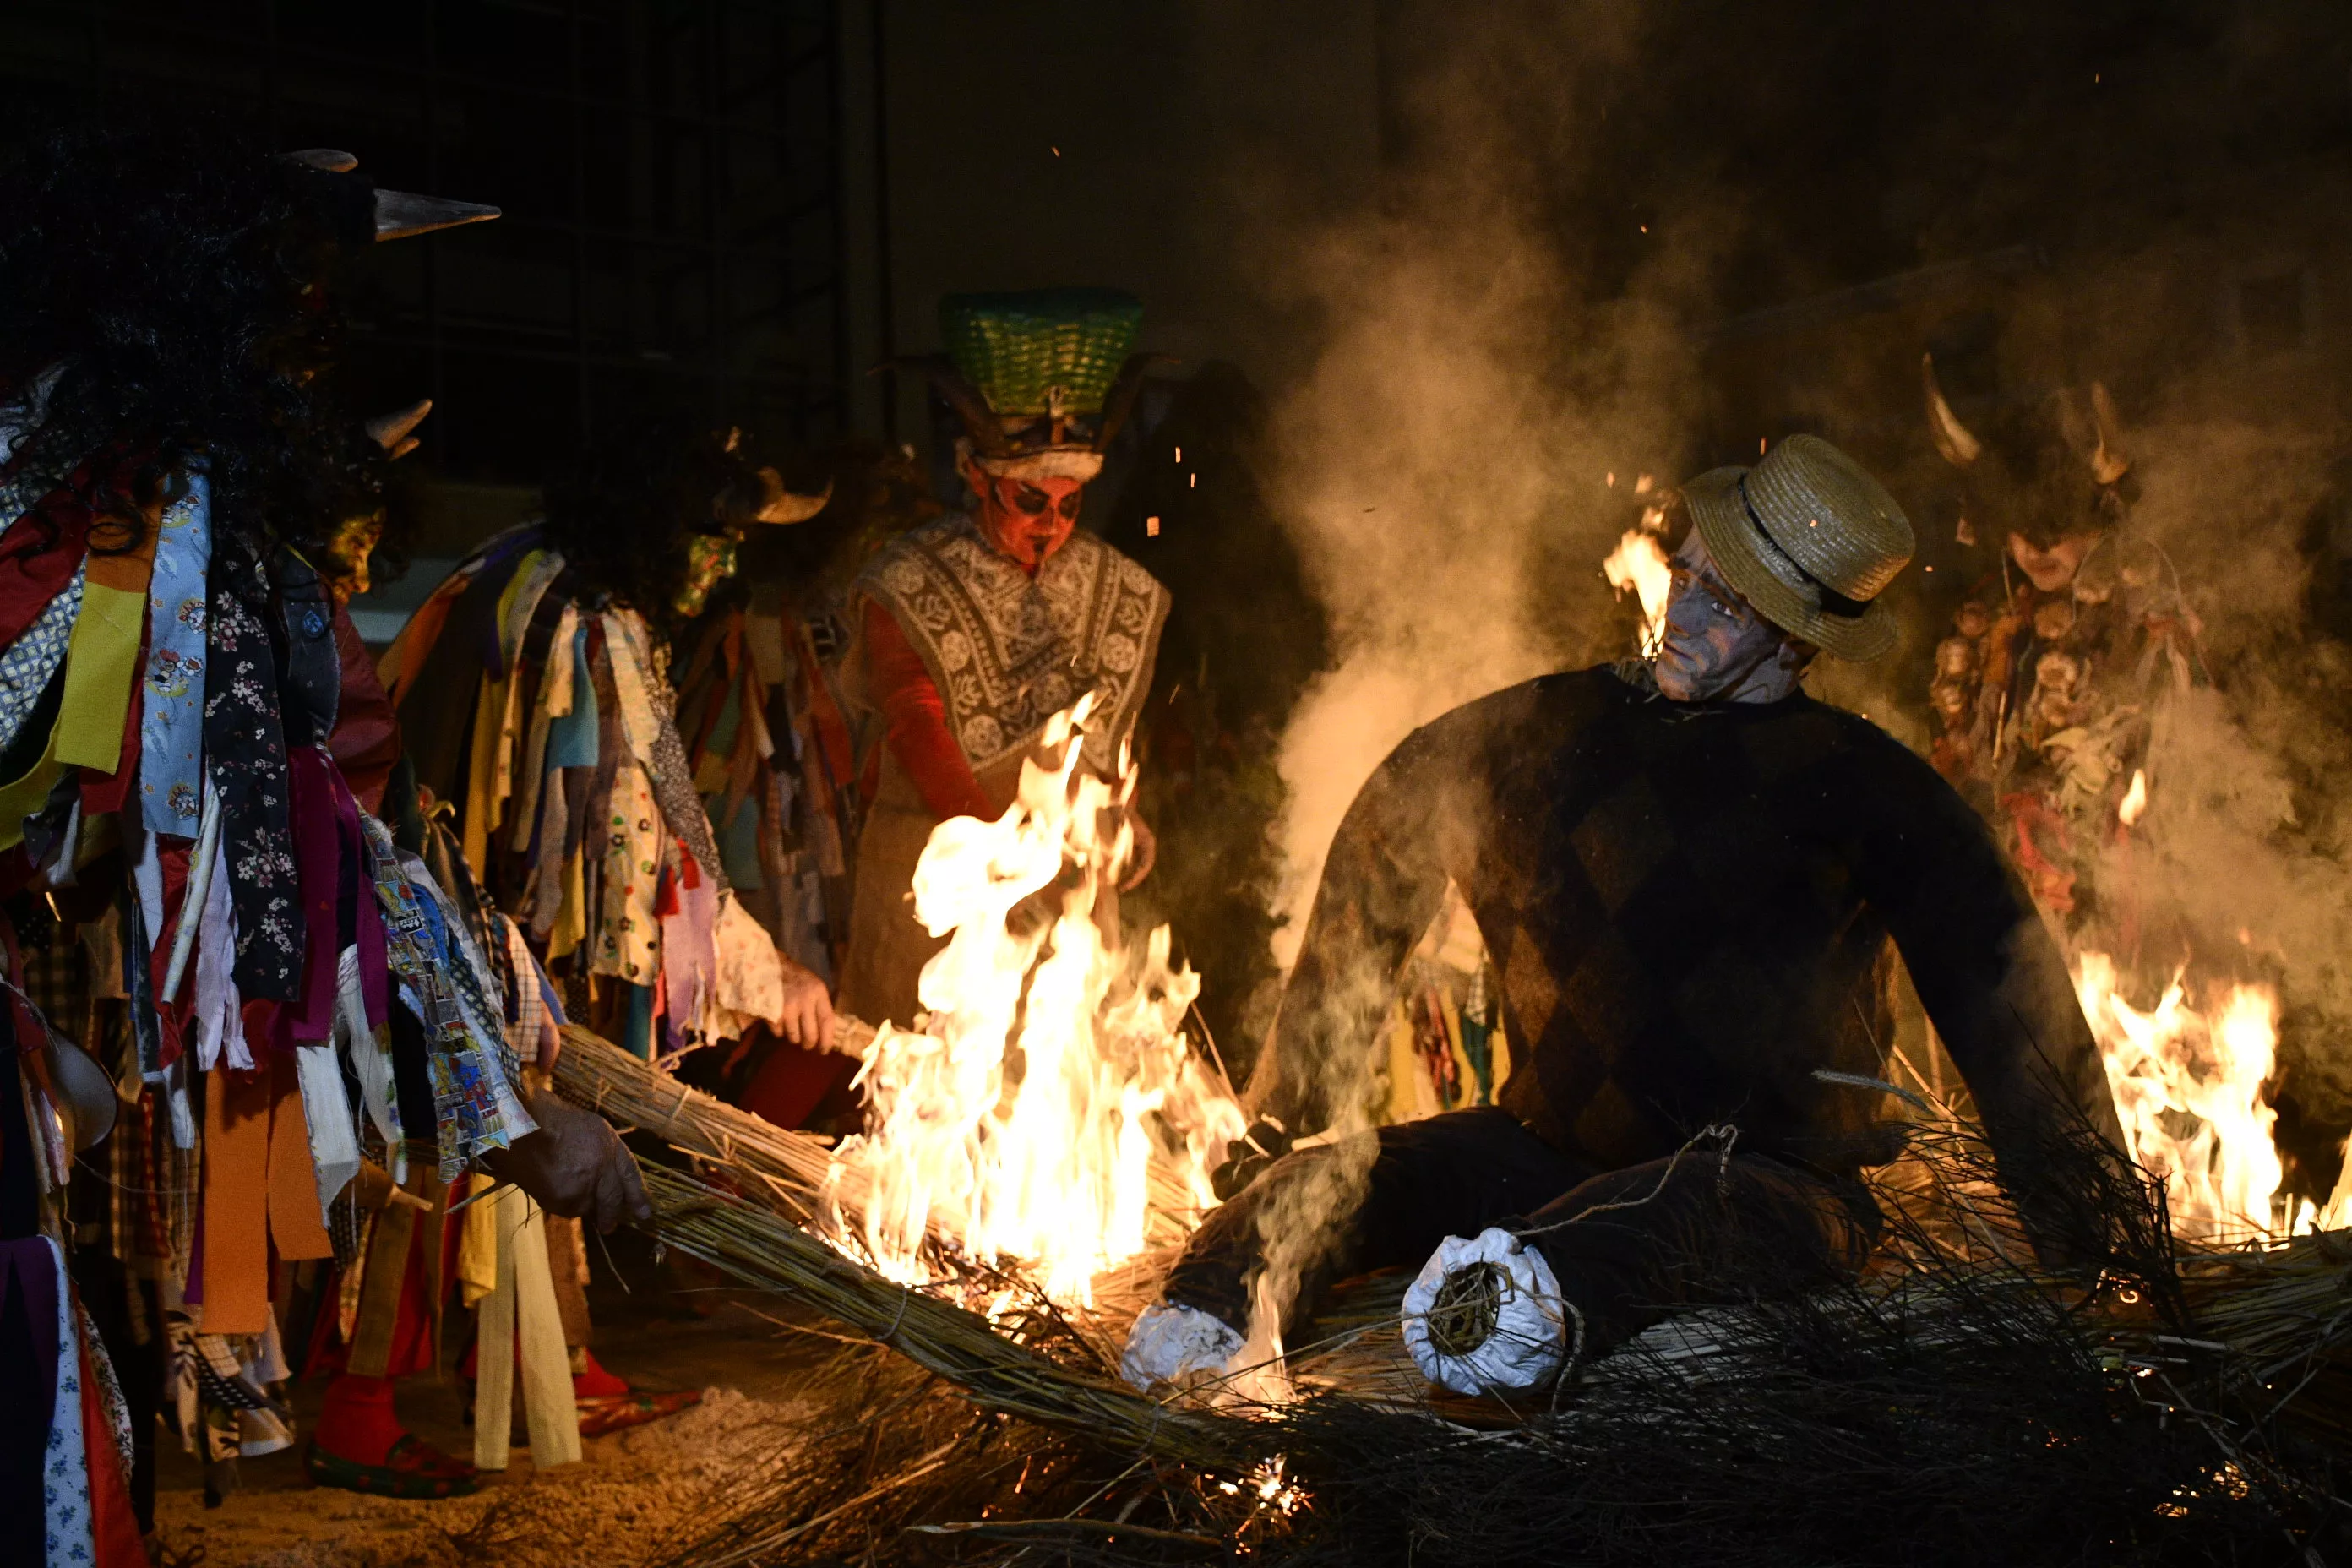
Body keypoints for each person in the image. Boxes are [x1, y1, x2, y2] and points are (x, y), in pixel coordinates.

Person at [1122, 434, 2126, 1396]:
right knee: (1335, 1181)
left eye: (1726, 603)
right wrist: (1294, 1098)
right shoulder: (1540, 731)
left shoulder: (1864, 786)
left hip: (1765, 1185)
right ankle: (1209, 1321)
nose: (1684, 612)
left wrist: (2098, 1233)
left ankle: (1493, 1316)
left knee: (1629, 1228)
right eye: (1685, 575)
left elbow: (2005, 989)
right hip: (1535, 1152)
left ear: (1797, 634)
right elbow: (1390, 830)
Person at [0, 118, 646, 1542]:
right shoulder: (156, 539)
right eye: (302, 323)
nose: (312, 366)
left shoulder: (76, 475)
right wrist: (506, 1114)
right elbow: (315, 847)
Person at [841, 289, 1170, 1031]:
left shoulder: (1108, 580)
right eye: (1029, 501)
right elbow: (915, 721)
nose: (1050, 525)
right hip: (939, 884)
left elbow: (1108, 726)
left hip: (1070, 899)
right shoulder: (911, 577)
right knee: (930, 1091)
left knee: (1066, 1100)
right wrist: (1001, 848)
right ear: (977, 478)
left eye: (1068, 505)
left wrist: (1122, 811)